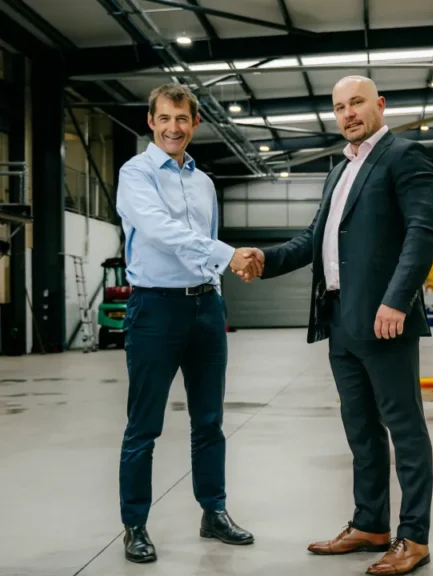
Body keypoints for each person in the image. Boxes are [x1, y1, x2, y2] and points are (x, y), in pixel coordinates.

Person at [241, 75, 433, 575]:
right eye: (339, 107)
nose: (348, 113)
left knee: (405, 429)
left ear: (379, 104)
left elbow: (421, 233)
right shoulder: (339, 171)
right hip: (340, 320)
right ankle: (370, 524)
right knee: (361, 431)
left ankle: (413, 537)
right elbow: (313, 240)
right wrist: (263, 258)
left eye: (356, 103)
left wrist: (397, 300)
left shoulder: (403, 156)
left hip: (384, 320)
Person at [116, 83, 260, 564]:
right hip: (155, 308)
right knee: (144, 426)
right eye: (164, 118)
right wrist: (229, 256)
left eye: (182, 119)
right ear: (151, 121)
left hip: (205, 310)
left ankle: (213, 512)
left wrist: (217, 294)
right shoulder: (134, 174)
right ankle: (135, 525)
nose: (173, 127)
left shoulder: (204, 182)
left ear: (195, 123)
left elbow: (205, 240)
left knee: (210, 421)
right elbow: (161, 230)